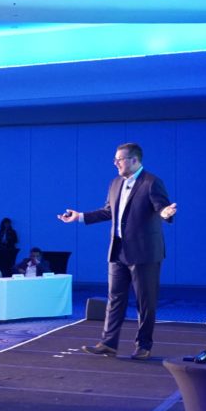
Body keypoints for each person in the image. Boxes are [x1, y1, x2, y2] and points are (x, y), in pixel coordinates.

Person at [58, 142, 177, 360]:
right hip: (118, 250)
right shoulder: (115, 183)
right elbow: (107, 211)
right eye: (115, 159)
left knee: (145, 301)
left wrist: (166, 213)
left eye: (119, 159)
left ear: (134, 160)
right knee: (115, 298)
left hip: (145, 252)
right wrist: (80, 216)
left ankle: (144, 345)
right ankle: (108, 343)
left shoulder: (151, 182)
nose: (115, 163)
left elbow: (162, 208)